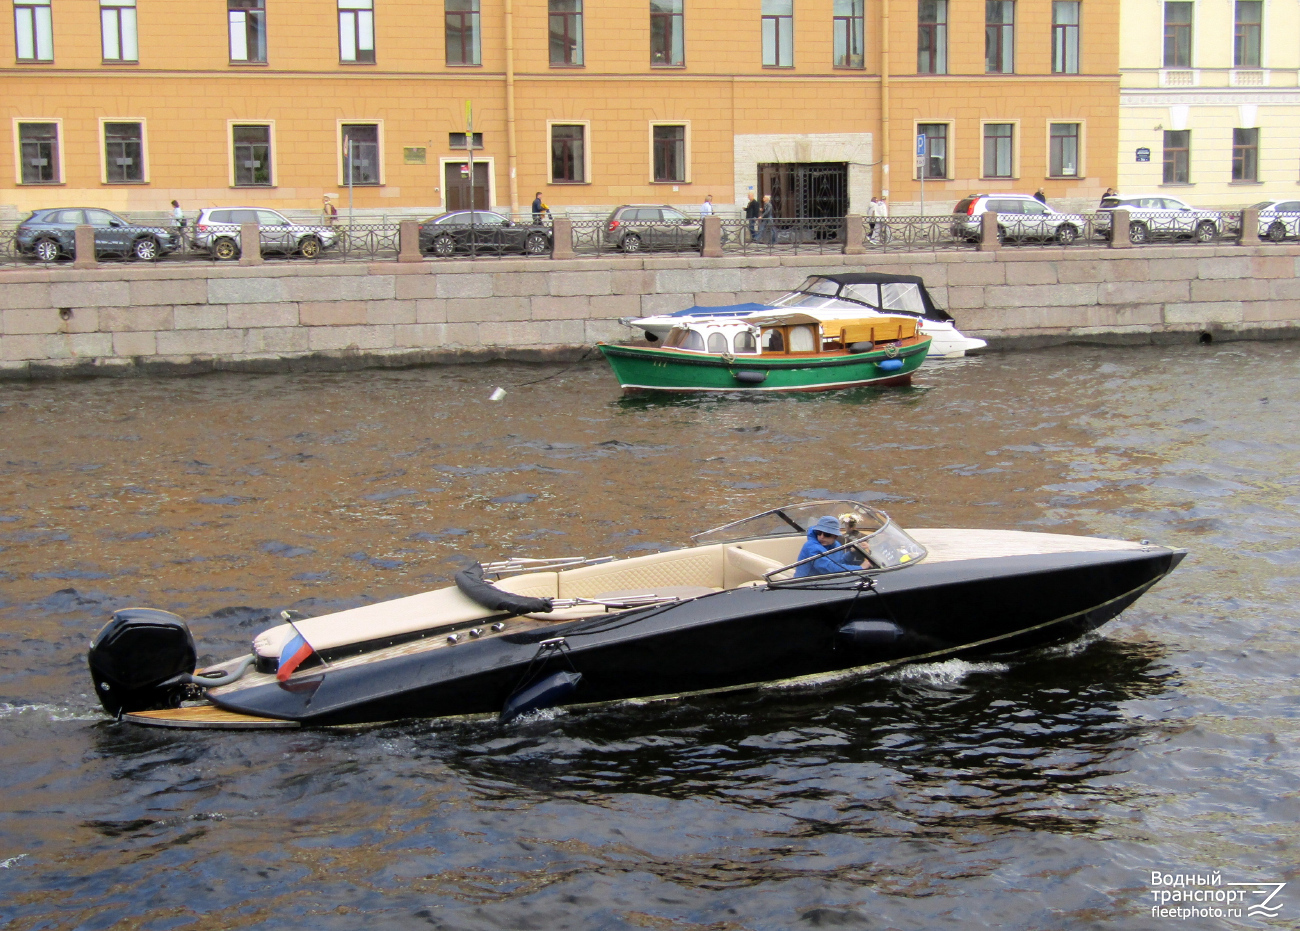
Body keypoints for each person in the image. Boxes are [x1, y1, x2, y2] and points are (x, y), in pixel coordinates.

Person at [793, 516, 858, 578]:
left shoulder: (836, 544)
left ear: (835, 536)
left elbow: (839, 562)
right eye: (819, 532)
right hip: (805, 584)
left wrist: (852, 553)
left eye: (827, 534)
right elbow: (829, 569)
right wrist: (861, 568)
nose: (821, 537)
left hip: (823, 581)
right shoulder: (811, 547)